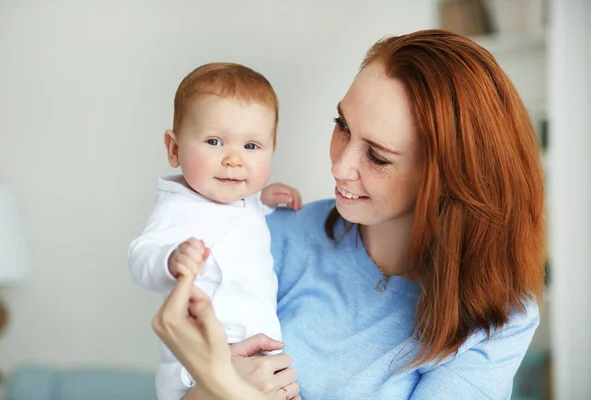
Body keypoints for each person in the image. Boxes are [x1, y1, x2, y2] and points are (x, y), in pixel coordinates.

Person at [153, 29, 546, 400]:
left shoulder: (497, 318)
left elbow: (220, 380)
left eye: (377, 157)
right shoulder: (277, 233)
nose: (340, 167)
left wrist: (226, 386)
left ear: (448, 178)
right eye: (342, 125)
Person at [129, 62, 302, 400]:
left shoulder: (244, 200)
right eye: (214, 141)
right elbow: (140, 256)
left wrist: (262, 199)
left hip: (262, 359)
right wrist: (169, 259)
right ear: (174, 148)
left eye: (251, 147)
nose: (234, 160)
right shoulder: (178, 207)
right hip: (196, 370)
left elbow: (237, 218)